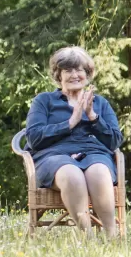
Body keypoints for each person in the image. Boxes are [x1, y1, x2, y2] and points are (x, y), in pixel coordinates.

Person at [25, 45, 124, 237]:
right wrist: (70, 123)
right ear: (58, 74)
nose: (75, 75)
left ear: (87, 74)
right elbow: (34, 138)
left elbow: (114, 141)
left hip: (94, 154)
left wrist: (92, 116)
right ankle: (87, 237)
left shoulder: (100, 103)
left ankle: (112, 236)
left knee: (100, 172)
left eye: (79, 70)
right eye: (68, 70)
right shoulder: (44, 101)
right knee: (72, 174)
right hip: (53, 156)